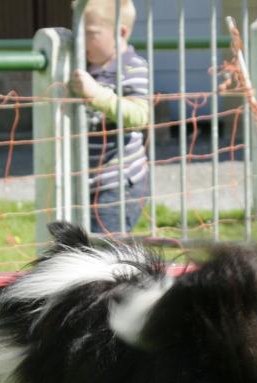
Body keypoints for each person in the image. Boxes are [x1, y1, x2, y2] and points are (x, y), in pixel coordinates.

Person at [69, 0, 152, 236]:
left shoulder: (132, 69)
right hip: (83, 181)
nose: (81, 41)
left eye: (90, 34)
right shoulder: (81, 66)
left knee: (106, 251)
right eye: (78, 33)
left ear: (121, 32)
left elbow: (139, 115)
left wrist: (96, 94)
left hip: (116, 186)